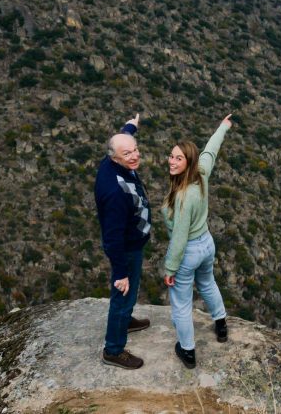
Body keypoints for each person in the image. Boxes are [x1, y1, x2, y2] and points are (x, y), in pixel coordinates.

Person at [163, 114, 232, 369]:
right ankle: (221, 324)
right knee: (207, 282)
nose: (172, 161)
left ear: (188, 162)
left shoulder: (182, 196)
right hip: (206, 243)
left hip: (189, 250)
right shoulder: (201, 174)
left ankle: (188, 351)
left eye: (178, 158)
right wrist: (223, 127)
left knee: (181, 303)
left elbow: (179, 239)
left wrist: (170, 268)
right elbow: (211, 150)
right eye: (171, 156)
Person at [95, 113, 151, 369]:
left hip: (133, 242)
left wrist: (130, 126)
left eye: (136, 150)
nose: (135, 155)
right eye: (128, 154)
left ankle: (125, 320)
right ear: (115, 157)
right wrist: (120, 273)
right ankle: (114, 350)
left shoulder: (112, 160)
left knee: (130, 292)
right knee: (123, 293)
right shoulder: (115, 191)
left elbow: (123, 140)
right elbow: (112, 238)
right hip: (126, 248)